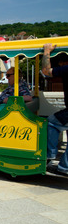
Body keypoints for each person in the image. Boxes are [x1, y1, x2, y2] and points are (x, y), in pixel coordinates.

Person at [42, 43, 68, 175]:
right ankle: (64, 165)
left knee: (51, 122)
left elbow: (46, 71)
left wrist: (46, 52)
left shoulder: (66, 68)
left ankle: (51, 155)